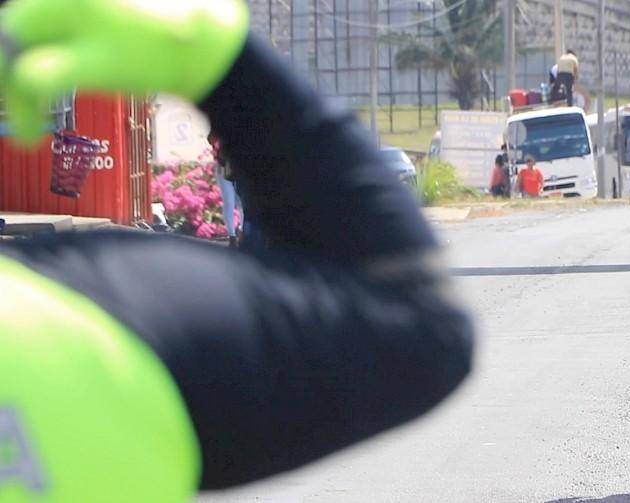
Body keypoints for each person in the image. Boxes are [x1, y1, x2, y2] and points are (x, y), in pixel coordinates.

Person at [0, 0, 474, 501]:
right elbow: (415, 326)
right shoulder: (68, 323)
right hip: (255, 190)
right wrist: (226, 67)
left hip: (251, 197)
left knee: (247, 225)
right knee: (247, 226)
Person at [208, 131, 243, 247]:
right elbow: (211, 139)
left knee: (241, 203)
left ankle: (241, 231)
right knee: (229, 201)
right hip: (223, 167)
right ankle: (232, 235)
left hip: (239, 168)